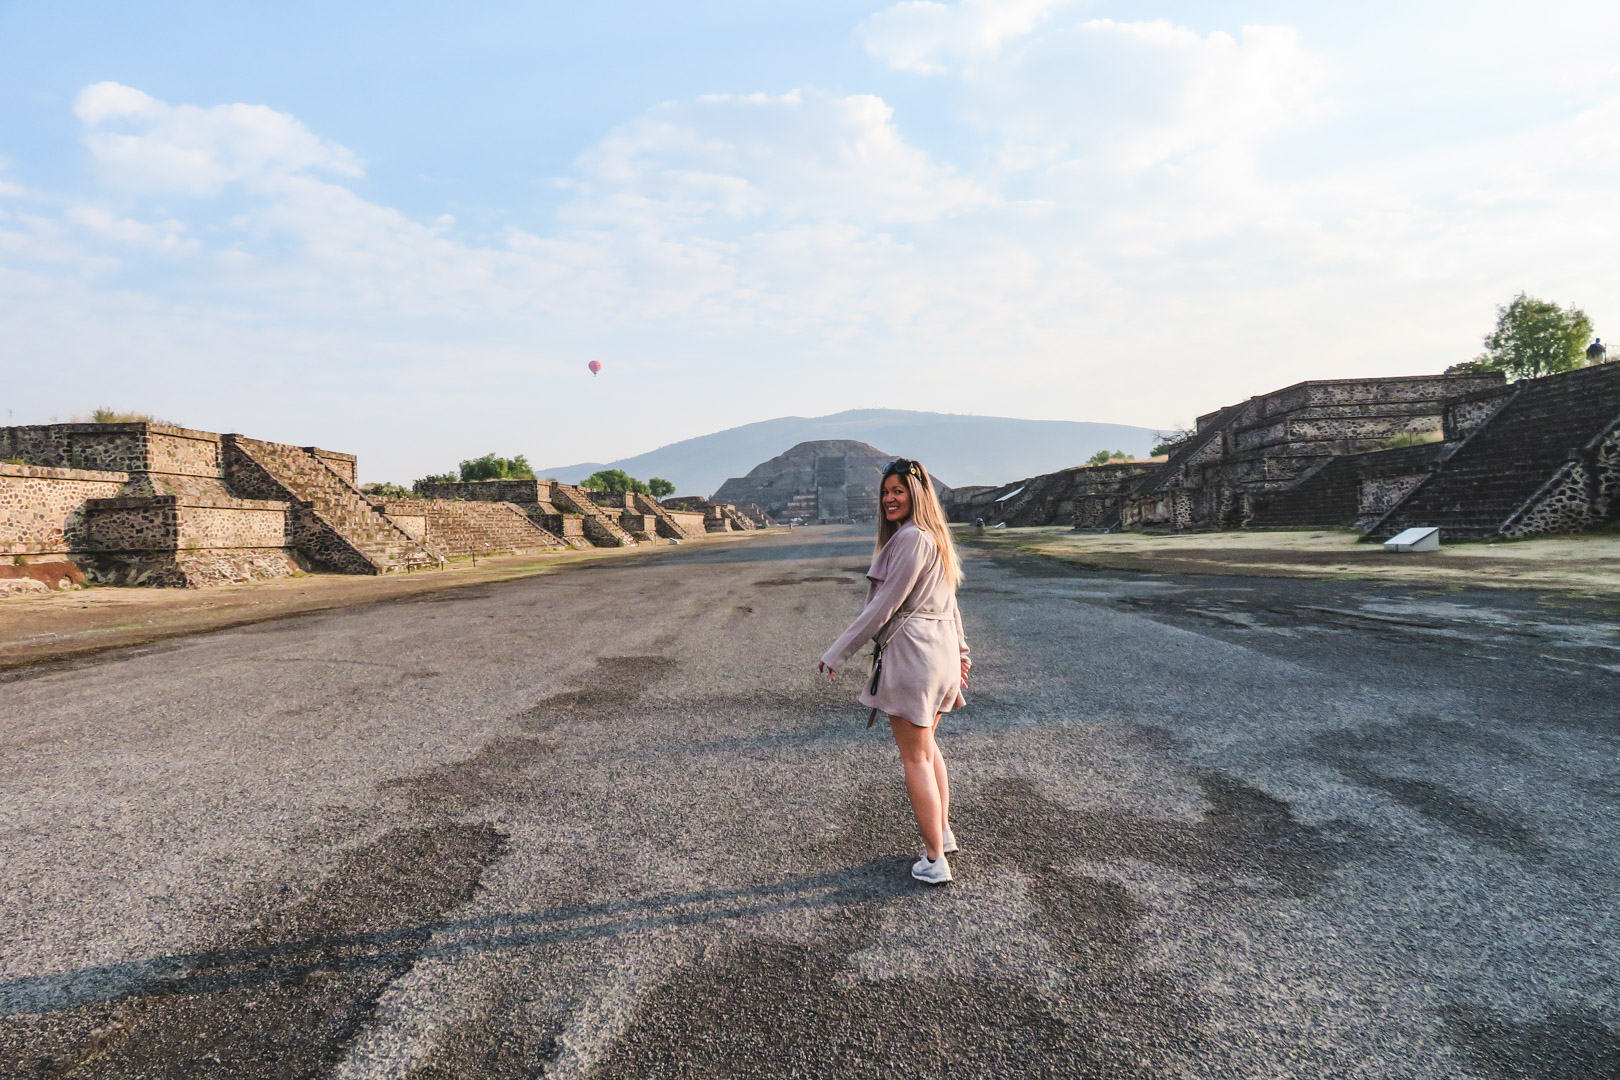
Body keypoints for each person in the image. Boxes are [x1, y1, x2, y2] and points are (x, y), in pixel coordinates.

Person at [819, 458, 970, 885]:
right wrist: (962, 655)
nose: (889, 498)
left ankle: (934, 859)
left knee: (915, 757)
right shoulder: (937, 539)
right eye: (885, 492)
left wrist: (837, 652)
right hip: (939, 655)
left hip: (914, 657)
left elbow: (883, 607)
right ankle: (943, 832)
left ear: (916, 494)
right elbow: (952, 607)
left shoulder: (909, 540)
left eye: (898, 491)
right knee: (929, 748)